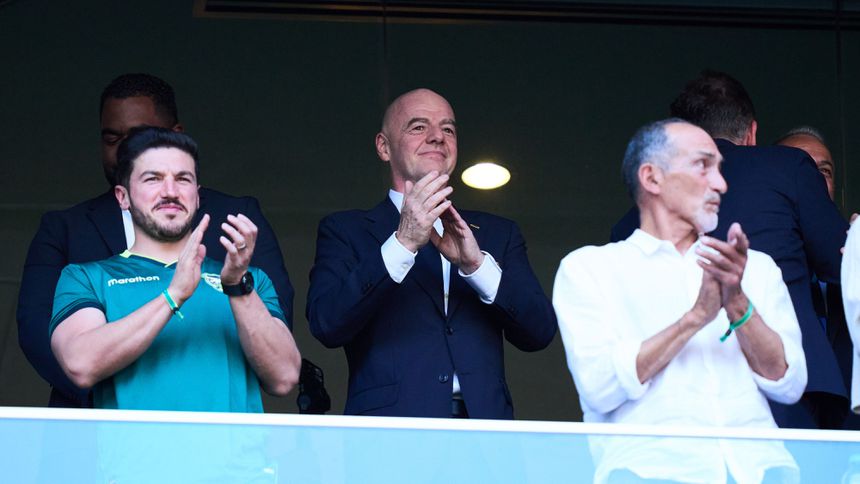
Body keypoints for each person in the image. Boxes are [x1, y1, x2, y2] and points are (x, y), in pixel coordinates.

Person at [17, 73, 294, 407]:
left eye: (182, 179)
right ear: (122, 195)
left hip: (233, 458)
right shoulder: (84, 276)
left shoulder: (249, 279)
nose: (170, 191)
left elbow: (284, 377)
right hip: (126, 454)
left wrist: (237, 286)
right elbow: (77, 362)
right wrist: (173, 294)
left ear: (197, 193)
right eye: (152, 178)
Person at [556, 119, 805, 482]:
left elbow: (789, 382)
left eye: (720, 169)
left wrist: (736, 302)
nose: (720, 184)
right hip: (649, 473)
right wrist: (696, 317)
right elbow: (600, 387)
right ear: (652, 178)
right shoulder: (591, 269)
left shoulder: (756, 268)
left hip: (761, 472)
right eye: (703, 165)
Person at [610, 71, 848, 429]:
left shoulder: (630, 223)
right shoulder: (789, 168)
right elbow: (840, 263)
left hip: (675, 402)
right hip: (779, 387)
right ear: (752, 133)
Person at [306, 88, 557, 418]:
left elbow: (539, 332)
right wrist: (402, 243)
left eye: (448, 129)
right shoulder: (346, 230)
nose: (438, 137)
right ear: (384, 147)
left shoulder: (498, 233)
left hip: (487, 438)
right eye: (418, 127)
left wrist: (476, 266)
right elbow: (327, 324)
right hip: (392, 437)